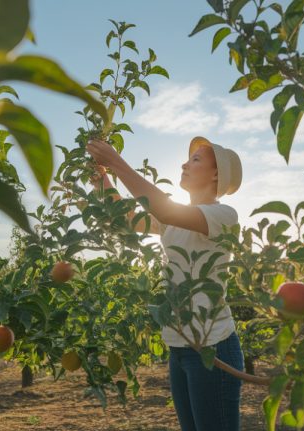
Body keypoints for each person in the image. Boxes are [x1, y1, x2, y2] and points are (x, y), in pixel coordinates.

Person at [86, 136, 244, 431]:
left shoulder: (224, 216)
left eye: (196, 160)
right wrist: (103, 179)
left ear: (215, 175)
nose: (184, 163)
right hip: (179, 345)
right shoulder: (176, 219)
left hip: (213, 347)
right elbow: (130, 219)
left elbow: (165, 210)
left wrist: (116, 162)